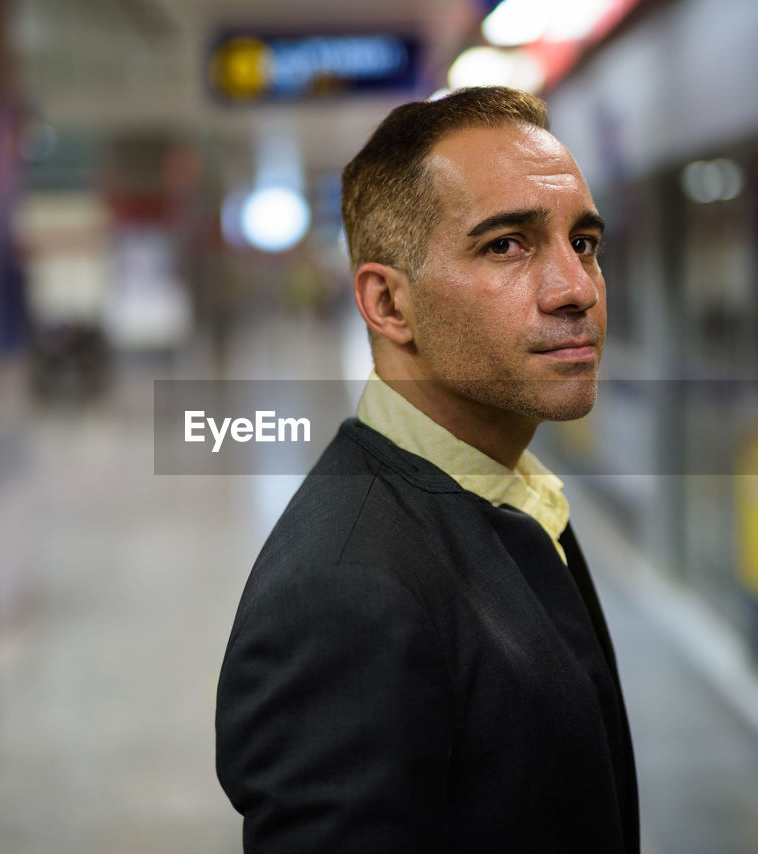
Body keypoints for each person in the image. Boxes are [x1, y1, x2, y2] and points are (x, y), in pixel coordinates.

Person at [215, 86, 638, 853]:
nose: (577, 289)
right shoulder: (344, 593)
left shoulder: (509, 493)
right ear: (388, 304)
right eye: (506, 244)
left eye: (583, 242)